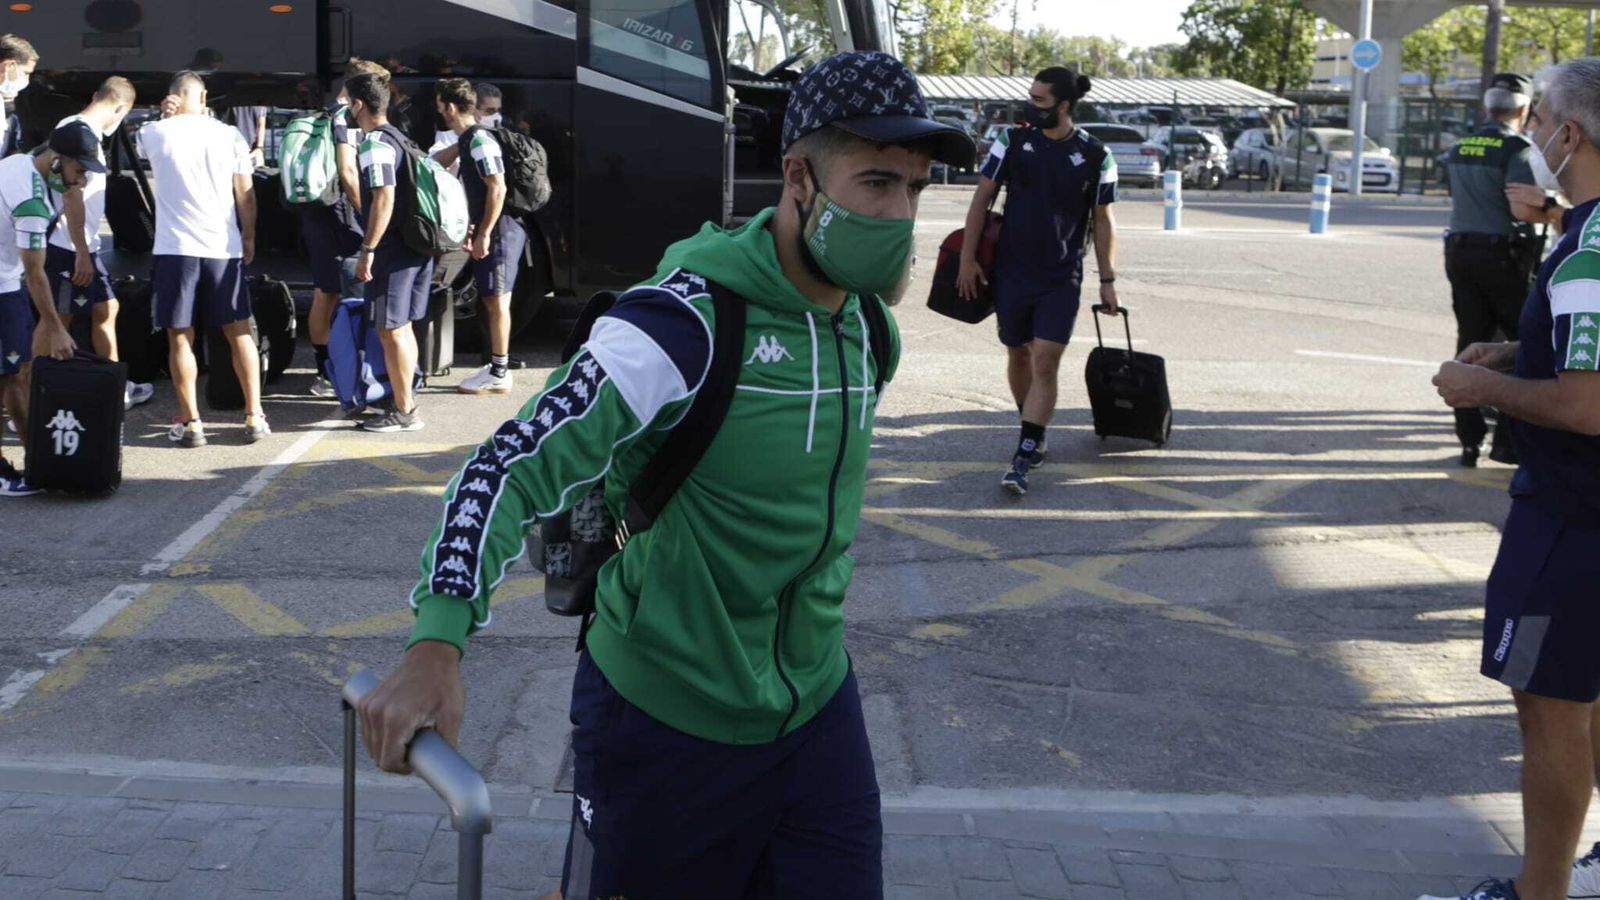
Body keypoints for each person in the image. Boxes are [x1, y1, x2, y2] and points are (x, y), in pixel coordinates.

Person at [355, 50, 972, 899]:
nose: (898, 213)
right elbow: (506, 466)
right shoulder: (681, 324)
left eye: (915, 187)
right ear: (797, 176)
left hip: (816, 714)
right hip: (662, 728)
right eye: (874, 182)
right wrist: (436, 643)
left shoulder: (869, 328)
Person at [1425, 58, 1600, 900]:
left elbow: (1585, 405)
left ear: (1569, 133)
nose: (1528, 138)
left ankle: (1541, 891)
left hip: (1571, 515)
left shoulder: (1586, 253)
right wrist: (1517, 353)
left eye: (1538, 125)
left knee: (1549, 704)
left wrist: (1482, 387)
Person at [955, 66, 1119, 497]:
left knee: (1045, 359)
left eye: (1040, 101)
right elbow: (981, 199)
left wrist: (1107, 280)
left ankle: (1026, 447)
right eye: (1030, 98)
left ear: (1064, 106)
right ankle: (1031, 420)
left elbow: (1103, 222)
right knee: (1017, 352)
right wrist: (967, 260)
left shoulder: (1097, 154)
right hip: (1011, 270)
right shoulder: (1013, 141)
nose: (1032, 106)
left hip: (1061, 275)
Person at [140, 70, 266, 448]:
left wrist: (166, 117)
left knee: (180, 337)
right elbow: (244, 192)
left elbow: (152, 144)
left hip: (174, 248)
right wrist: (249, 234)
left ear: (173, 98)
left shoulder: (154, 132)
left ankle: (192, 423)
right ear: (203, 96)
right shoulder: (230, 135)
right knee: (238, 330)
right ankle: (254, 414)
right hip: (221, 247)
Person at [1442, 72, 1550, 468]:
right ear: (1522, 109)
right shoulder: (1515, 148)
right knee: (1524, 345)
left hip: (1459, 251)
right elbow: (1522, 207)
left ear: (1488, 106)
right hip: (1502, 256)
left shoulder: (1461, 145)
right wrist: (1552, 205)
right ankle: (1508, 442)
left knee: (1470, 339)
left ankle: (1469, 441)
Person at [0, 123, 97, 495]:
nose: (82, 181)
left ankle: (37, 459)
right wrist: (56, 328)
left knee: (16, 374)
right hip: (4, 286)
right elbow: (35, 273)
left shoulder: (18, 163)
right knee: (8, 377)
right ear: (57, 161)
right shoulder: (32, 202)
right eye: (79, 170)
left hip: (6, 282)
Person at [44, 77, 151, 411]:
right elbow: (71, 193)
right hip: (68, 244)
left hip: (79, 243)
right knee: (57, 321)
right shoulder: (79, 134)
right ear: (121, 108)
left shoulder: (76, 128)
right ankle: (33, 392)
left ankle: (113, 385)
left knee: (107, 308)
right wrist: (81, 252)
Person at [349, 71, 431, 433]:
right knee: (403, 327)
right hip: (415, 246)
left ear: (357, 104)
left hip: (393, 249)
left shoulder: (374, 145)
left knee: (390, 330)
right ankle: (405, 398)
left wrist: (369, 248)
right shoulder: (400, 137)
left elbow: (384, 196)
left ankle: (404, 410)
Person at [430, 77, 522, 395]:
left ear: (452, 107)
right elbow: (439, 162)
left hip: (500, 230)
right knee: (490, 298)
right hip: (494, 228)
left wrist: (483, 233)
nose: (441, 113)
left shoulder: (480, 141)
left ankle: (499, 372)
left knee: (497, 301)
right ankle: (497, 365)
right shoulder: (471, 139)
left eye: (442, 108)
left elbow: (498, 187)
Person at [304, 58, 389, 400]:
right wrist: (366, 212)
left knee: (325, 289)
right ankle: (329, 371)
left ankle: (324, 367)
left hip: (318, 212)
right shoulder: (344, 117)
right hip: (338, 214)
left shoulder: (326, 112)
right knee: (336, 292)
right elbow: (348, 171)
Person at [0, 35, 38, 158]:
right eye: (26, 73)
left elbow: (10, 155)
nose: (27, 80)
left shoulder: (11, 120)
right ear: (9, 66)